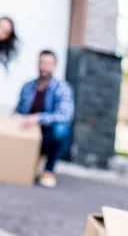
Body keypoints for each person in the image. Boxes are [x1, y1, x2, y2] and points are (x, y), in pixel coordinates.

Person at [14, 50, 74, 188]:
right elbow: (19, 110)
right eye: (41, 63)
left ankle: (48, 169)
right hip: (29, 131)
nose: (44, 67)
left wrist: (38, 118)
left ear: (54, 66)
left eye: (48, 63)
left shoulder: (62, 88)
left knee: (61, 130)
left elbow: (65, 115)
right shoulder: (28, 86)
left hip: (48, 133)